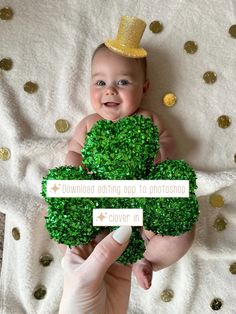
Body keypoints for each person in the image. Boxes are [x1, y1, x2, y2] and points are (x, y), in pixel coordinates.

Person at [59, 16, 196, 311]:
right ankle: (86, 255)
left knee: (183, 230)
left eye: (123, 82)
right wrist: (75, 173)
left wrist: (159, 154)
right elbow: (73, 153)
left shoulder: (149, 120)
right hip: (100, 207)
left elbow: (168, 143)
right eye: (100, 82)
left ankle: (148, 261)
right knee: (62, 215)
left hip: (143, 210)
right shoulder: (89, 124)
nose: (110, 90)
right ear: (89, 86)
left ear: (144, 87)